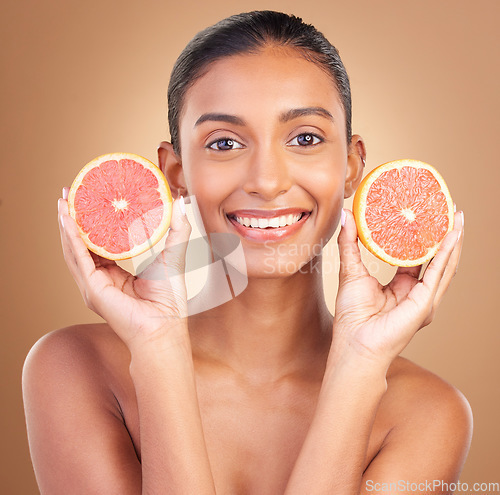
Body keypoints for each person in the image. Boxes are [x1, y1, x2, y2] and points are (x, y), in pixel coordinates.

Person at [23, 10, 471, 495]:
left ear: (351, 165)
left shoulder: (428, 413)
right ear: (175, 174)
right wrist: (156, 348)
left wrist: (359, 366)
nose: (266, 181)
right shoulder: (75, 368)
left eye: (305, 138)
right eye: (225, 142)